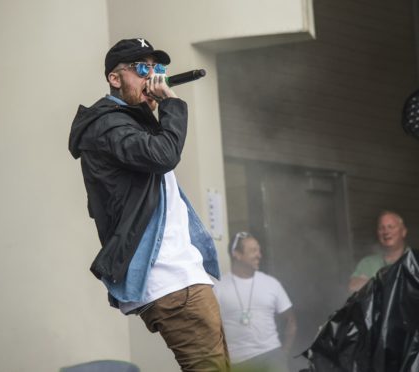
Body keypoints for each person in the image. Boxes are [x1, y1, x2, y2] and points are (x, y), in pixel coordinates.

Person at [68, 38, 230, 372]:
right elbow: (164, 155)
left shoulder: (130, 121)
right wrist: (171, 103)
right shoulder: (107, 125)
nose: (153, 77)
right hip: (170, 279)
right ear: (116, 78)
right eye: (142, 68)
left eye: (158, 69)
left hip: (179, 276)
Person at [214, 232, 297, 372]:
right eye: (253, 250)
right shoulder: (219, 287)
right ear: (236, 254)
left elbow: (291, 320)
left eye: (258, 250)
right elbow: (211, 328)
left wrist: (283, 355)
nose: (259, 255)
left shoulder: (271, 283)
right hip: (238, 363)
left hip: (272, 357)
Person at [348, 210, 409, 293]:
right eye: (381, 228)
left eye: (391, 227)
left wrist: (371, 284)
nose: (386, 232)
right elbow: (353, 286)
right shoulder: (368, 263)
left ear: (403, 232)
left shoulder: (415, 260)